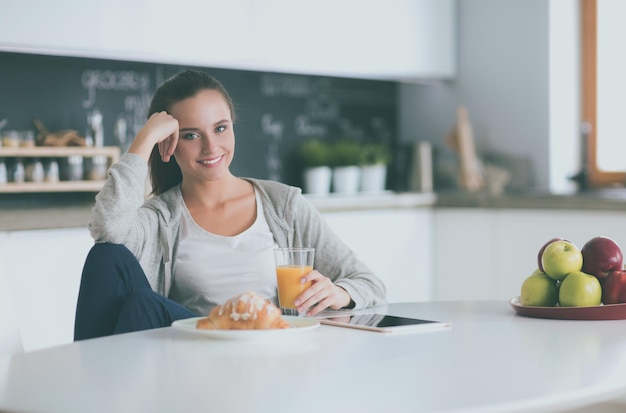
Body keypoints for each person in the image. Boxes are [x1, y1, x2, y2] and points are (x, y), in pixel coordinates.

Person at [73, 70, 386, 340]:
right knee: (108, 256)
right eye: (191, 135)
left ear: (233, 126)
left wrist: (341, 293)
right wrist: (143, 140)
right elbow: (108, 229)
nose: (211, 147)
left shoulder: (283, 206)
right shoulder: (159, 219)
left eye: (220, 128)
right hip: (194, 360)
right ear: (168, 143)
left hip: (269, 354)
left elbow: (369, 283)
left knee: (143, 304)